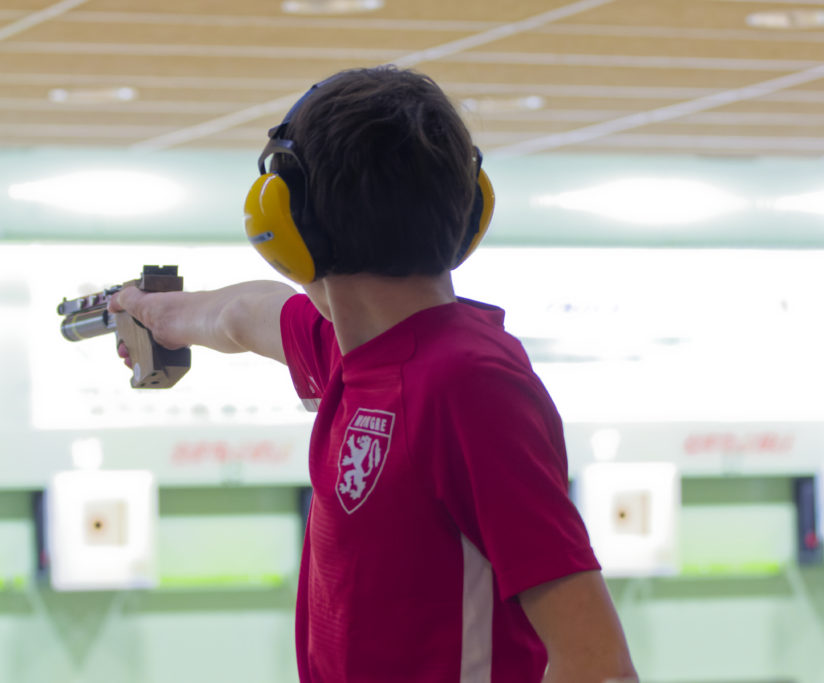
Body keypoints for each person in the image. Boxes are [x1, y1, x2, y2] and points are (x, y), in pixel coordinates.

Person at [110, 66, 637, 683]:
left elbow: (598, 665)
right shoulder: (355, 354)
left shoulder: (466, 384)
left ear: (289, 222)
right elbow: (243, 314)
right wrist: (152, 313)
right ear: (470, 206)